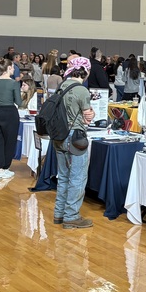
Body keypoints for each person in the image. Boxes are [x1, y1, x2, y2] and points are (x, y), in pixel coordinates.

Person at [52, 56, 96, 229]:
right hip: (75, 137)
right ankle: (71, 216)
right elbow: (87, 116)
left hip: (59, 135)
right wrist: (90, 114)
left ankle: (59, 213)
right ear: (85, 71)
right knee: (78, 177)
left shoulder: (61, 86)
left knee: (63, 176)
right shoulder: (82, 91)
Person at [0, 57, 22, 180]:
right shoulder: (14, 83)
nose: (14, 69)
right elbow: (19, 102)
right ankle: (6, 168)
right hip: (10, 113)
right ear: (8, 68)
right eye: (12, 67)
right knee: (9, 141)